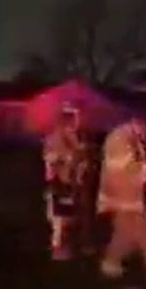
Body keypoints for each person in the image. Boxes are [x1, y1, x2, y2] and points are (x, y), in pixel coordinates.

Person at [97, 114, 146, 284]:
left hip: (132, 196)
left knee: (126, 233)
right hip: (124, 194)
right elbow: (125, 165)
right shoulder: (118, 138)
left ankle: (111, 264)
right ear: (137, 123)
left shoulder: (136, 138)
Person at [42, 102, 95, 261]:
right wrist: (66, 157)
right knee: (61, 219)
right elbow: (49, 158)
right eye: (74, 116)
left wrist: (85, 158)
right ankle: (59, 250)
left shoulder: (81, 136)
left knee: (81, 216)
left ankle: (80, 246)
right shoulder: (55, 137)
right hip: (62, 183)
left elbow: (87, 157)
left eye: (79, 116)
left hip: (78, 184)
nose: (78, 120)